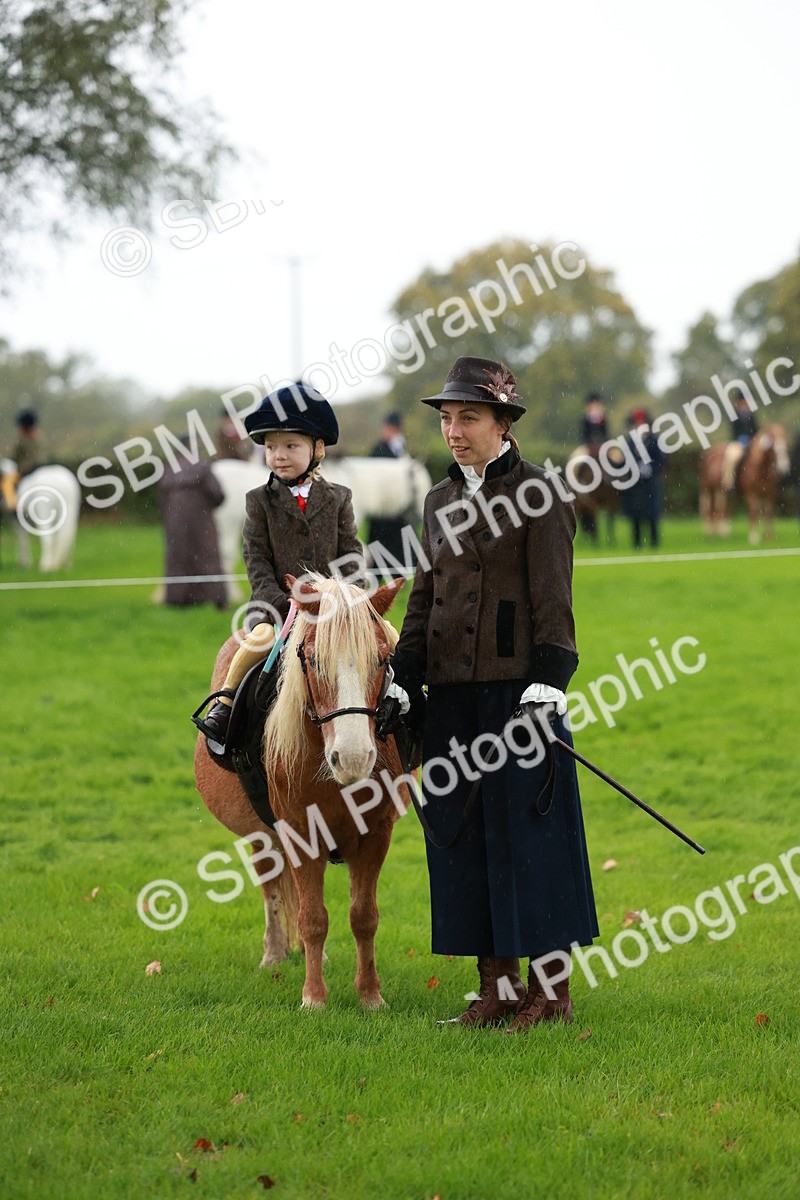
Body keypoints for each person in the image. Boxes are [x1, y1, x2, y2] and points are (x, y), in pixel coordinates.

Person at [384, 356, 598, 1032]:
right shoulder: (438, 501)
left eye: (467, 418)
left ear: (503, 422)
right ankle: (495, 991)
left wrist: (548, 683)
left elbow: (554, 600)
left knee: (529, 839)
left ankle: (551, 994)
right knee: (463, 839)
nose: (453, 431)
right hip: (450, 696)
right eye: (447, 418)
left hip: (519, 695)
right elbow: (425, 597)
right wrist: (402, 675)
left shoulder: (541, 492)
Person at [193, 382, 363, 747]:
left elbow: (352, 554)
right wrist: (278, 599)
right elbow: (255, 558)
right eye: (271, 447)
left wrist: (345, 598)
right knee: (257, 641)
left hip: (333, 612)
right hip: (277, 612)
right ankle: (224, 706)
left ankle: (403, 703)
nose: (279, 455)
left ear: (318, 449)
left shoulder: (339, 498)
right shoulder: (258, 501)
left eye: (290, 446)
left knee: (383, 639)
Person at [159, 444, 227, 608]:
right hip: (201, 522)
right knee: (207, 556)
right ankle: (216, 599)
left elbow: (162, 499)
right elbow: (218, 494)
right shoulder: (202, 467)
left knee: (178, 557)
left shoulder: (169, 470)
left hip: (174, 523)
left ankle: (178, 599)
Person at [366, 411, 409, 565]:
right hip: (381, 505)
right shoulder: (378, 449)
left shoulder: (400, 447)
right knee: (378, 545)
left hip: (397, 506)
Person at [621, 407, 665, 549]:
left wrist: (651, 468)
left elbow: (661, 460)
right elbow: (624, 462)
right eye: (637, 424)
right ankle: (637, 543)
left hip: (650, 482)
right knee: (636, 514)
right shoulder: (629, 443)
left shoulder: (654, 440)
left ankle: (654, 542)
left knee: (652, 514)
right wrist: (634, 469)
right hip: (635, 483)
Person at [722, 393, 759, 491]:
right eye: (743, 401)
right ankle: (729, 482)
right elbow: (734, 431)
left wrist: (753, 440)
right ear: (739, 402)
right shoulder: (734, 415)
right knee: (731, 458)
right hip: (738, 443)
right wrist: (740, 440)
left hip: (752, 443)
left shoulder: (752, 415)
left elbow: (756, 430)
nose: (745, 403)